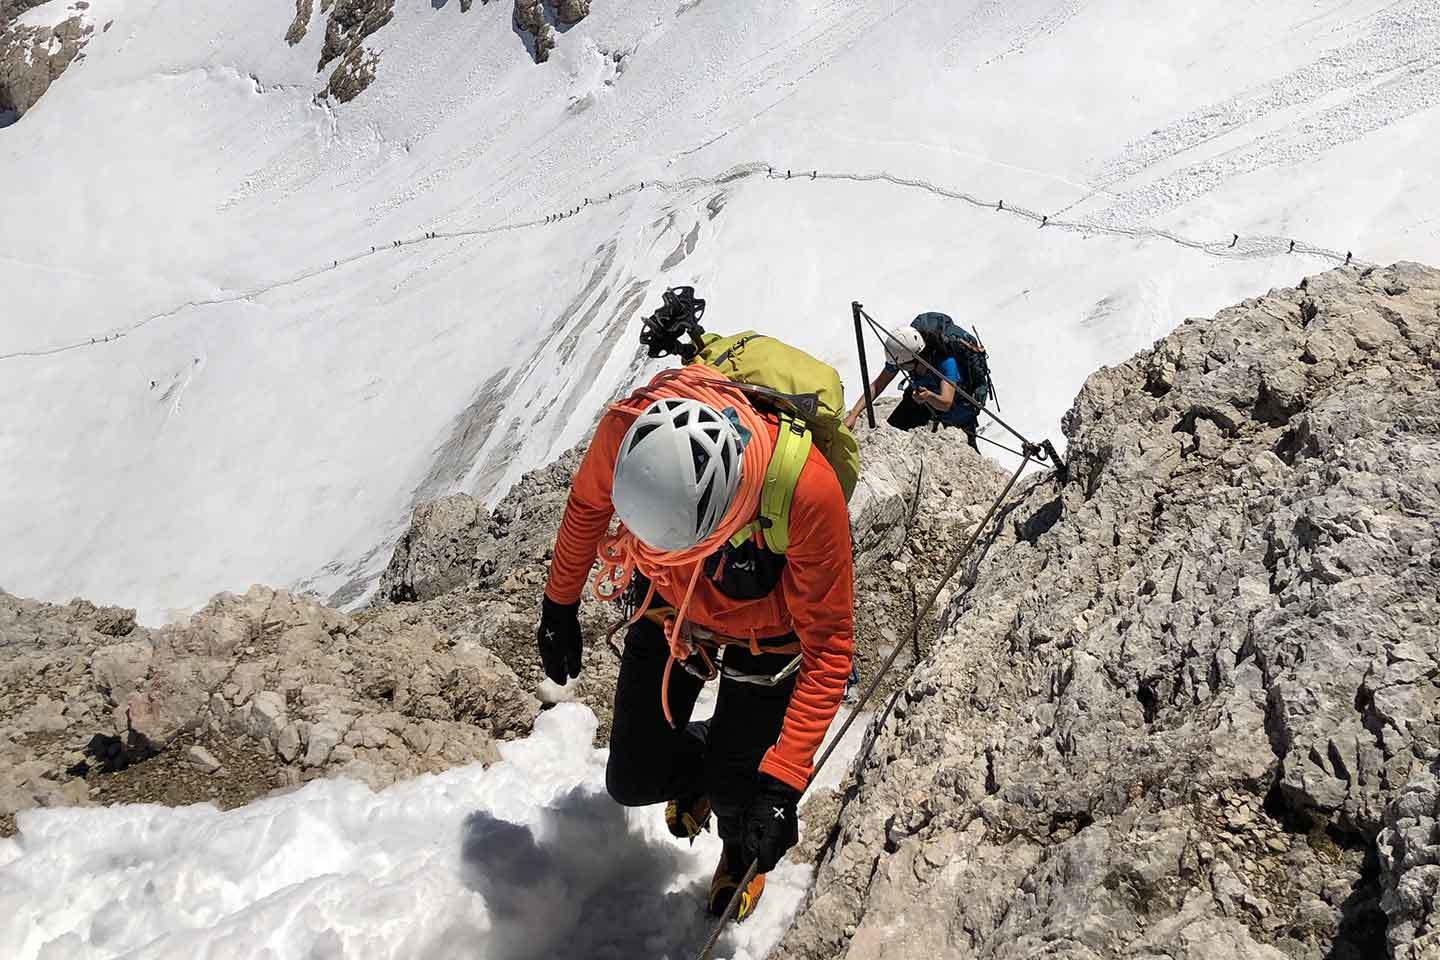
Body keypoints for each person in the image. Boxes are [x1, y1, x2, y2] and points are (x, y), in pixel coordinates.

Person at [536, 387, 854, 922]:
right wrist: (558, 603)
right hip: (672, 606)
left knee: (740, 794)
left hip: (768, 629)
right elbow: (588, 503)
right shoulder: (629, 429)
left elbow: (827, 650)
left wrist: (781, 784)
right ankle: (720, 758)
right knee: (633, 778)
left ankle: (735, 839)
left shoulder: (805, 493)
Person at [844, 315, 983, 449]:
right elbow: (878, 385)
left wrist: (929, 396)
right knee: (894, 434)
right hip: (924, 399)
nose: (899, 369)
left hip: (957, 410)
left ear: (914, 359)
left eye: (902, 366)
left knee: (963, 450)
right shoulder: (906, 356)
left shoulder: (946, 363)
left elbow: (946, 402)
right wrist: (853, 415)